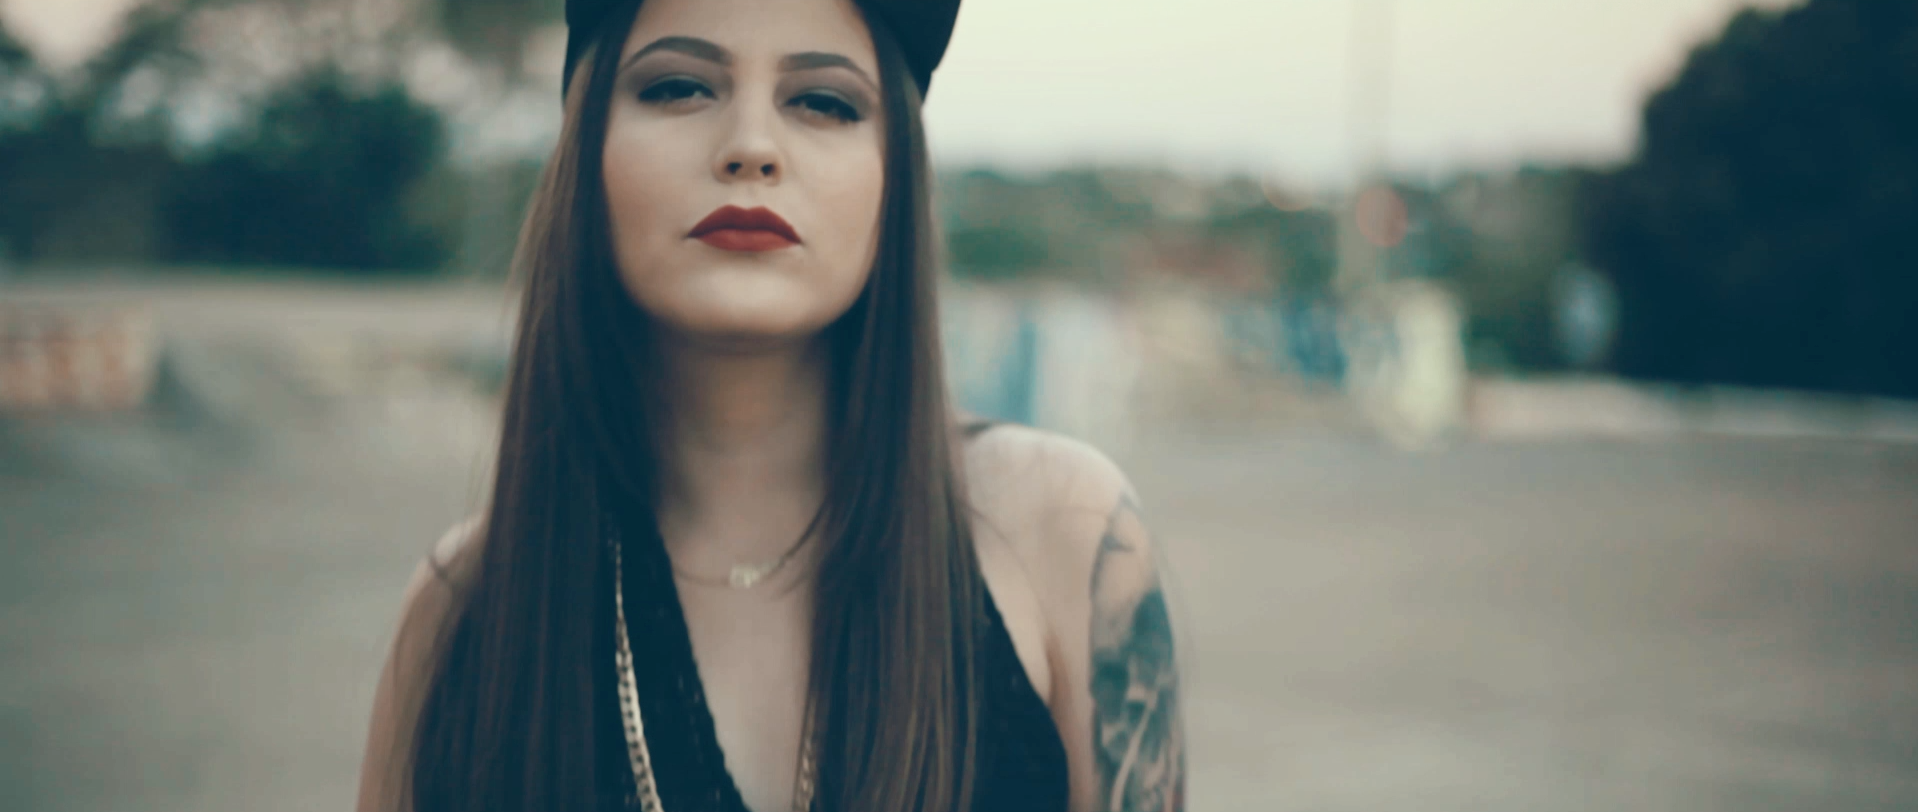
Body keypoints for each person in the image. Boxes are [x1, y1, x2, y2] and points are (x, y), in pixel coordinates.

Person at [353, 0, 1185, 809]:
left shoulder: (1060, 529)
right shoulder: (463, 611)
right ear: (588, 144)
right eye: (678, 87)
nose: (751, 147)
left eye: (824, 102)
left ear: (895, 175)